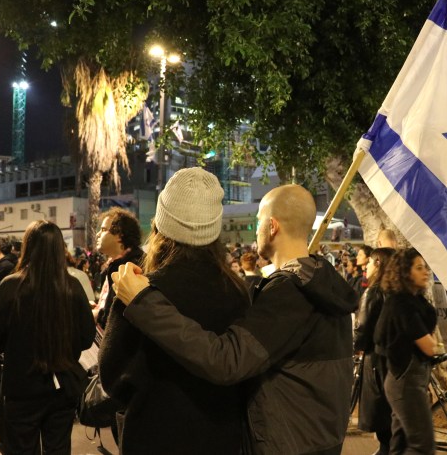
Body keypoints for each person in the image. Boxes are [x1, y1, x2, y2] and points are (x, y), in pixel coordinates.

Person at [113, 183, 358, 454]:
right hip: (315, 441)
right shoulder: (321, 284)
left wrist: (143, 302)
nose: (256, 229)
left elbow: (226, 361)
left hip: (289, 445)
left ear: (272, 226)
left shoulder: (290, 293)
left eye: (259, 221)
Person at [98, 167, 250, 454]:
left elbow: (112, 374)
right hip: (222, 435)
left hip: (152, 435)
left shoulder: (139, 291)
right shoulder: (238, 292)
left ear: (160, 228)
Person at [0, 220, 94, 455]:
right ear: (59, 249)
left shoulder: (11, 286)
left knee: (21, 448)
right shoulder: (72, 287)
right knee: (58, 448)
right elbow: (86, 338)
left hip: (21, 386)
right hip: (63, 385)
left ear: (27, 247)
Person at [374, 248, 439, 454]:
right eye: (419, 268)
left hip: (408, 380)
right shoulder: (401, 304)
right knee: (422, 445)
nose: (426, 272)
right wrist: (437, 347)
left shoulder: (414, 300)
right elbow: (429, 346)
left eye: (426, 267)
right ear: (405, 272)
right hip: (405, 383)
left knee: (401, 443)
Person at [354, 247, 397, 455]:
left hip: (376, 363)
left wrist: (354, 347)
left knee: (383, 426)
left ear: (378, 264)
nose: (366, 266)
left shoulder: (373, 292)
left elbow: (361, 330)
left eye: (370, 261)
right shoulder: (396, 290)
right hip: (395, 363)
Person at [93, 207, 144, 329]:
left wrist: (96, 315)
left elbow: (118, 319)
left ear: (119, 235)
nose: (98, 234)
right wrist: (99, 307)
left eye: (104, 229)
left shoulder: (132, 269)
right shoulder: (114, 266)